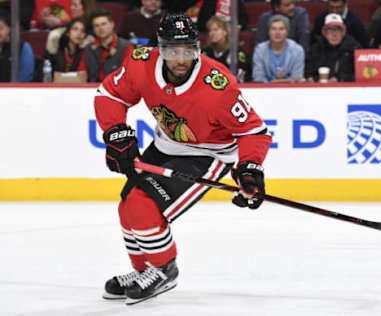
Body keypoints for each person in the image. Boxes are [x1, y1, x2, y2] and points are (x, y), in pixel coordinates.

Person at [94, 13, 271, 305]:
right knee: (127, 207)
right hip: (167, 144)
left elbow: (255, 132)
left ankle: (165, 269)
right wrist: (116, 133)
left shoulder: (219, 87)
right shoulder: (140, 62)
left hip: (208, 153)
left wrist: (249, 167)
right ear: (159, 49)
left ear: (197, 49)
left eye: (187, 50)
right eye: (172, 51)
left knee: (142, 205)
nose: (180, 59)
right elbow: (110, 94)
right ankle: (143, 270)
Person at [305, 13, 360, 82]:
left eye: (338, 29)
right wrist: (320, 80)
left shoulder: (354, 48)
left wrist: (340, 79)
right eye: (330, 30)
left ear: (343, 32)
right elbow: (308, 74)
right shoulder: (315, 49)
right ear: (324, 32)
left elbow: (360, 75)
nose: (334, 34)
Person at [252, 14, 304, 83]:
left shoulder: (297, 50)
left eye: (281, 29)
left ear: (287, 32)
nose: (277, 33)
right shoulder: (260, 50)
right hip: (265, 90)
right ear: (269, 32)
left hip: (291, 91)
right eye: (273, 29)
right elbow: (258, 77)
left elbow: (297, 78)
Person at [85, 9, 132, 82]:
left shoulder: (126, 46)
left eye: (104, 24)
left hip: (117, 90)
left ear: (112, 24)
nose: (100, 28)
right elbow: (82, 75)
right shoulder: (88, 49)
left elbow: (130, 75)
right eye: (96, 26)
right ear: (93, 29)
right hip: (92, 90)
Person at [202, 15, 252, 82]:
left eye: (215, 29)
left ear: (225, 32)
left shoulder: (236, 51)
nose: (212, 33)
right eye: (210, 31)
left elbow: (243, 74)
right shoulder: (206, 52)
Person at [162, 0, 249, 32]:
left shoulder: (235, 2)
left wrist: (235, 28)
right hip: (203, 32)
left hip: (229, 34)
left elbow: (243, 19)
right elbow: (174, 7)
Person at [0, 15, 35, 82]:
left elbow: (26, 76)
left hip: (15, 90)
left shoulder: (22, 47)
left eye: (1, 28)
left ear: (9, 29)